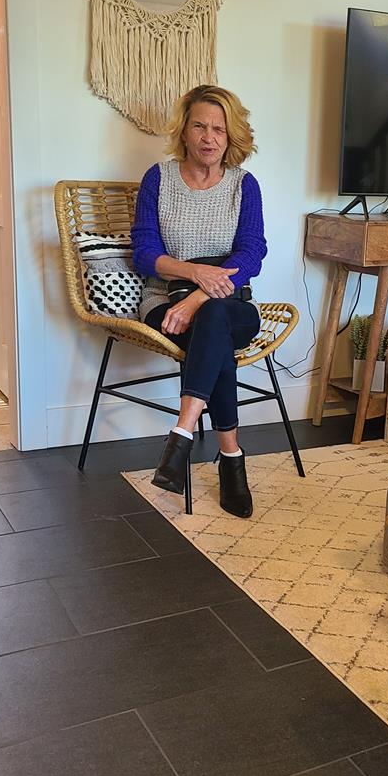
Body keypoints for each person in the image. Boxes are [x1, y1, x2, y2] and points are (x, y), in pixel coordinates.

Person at [131, 84, 267, 518]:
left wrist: (196, 301)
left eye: (219, 130)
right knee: (216, 336)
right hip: (164, 299)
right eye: (200, 127)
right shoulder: (159, 178)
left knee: (214, 320)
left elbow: (252, 253)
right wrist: (194, 276)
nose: (210, 138)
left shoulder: (244, 186)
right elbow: (145, 252)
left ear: (231, 137)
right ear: (184, 132)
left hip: (229, 302)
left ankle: (182, 434)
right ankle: (231, 460)